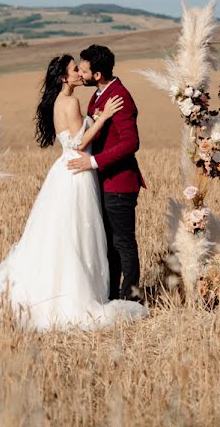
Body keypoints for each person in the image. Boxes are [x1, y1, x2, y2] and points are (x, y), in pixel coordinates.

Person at [0, 54, 148, 331]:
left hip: (65, 172)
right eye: (75, 69)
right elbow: (78, 142)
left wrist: (96, 118)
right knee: (75, 234)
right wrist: (102, 120)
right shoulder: (72, 101)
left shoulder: (60, 102)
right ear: (64, 78)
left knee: (64, 234)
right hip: (77, 172)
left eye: (81, 68)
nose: (80, 72)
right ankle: (76, 293)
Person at [67, 44, 146, 301]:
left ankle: (131, 298)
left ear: (97, 74)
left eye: (84, 69)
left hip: (120, 183)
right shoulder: (99, 95)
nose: (80, 72)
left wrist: (94, 162)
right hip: (103, 182)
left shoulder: (120, 97)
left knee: (123, 244)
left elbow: (130, 142)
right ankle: (111, 297)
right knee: (109, 246)